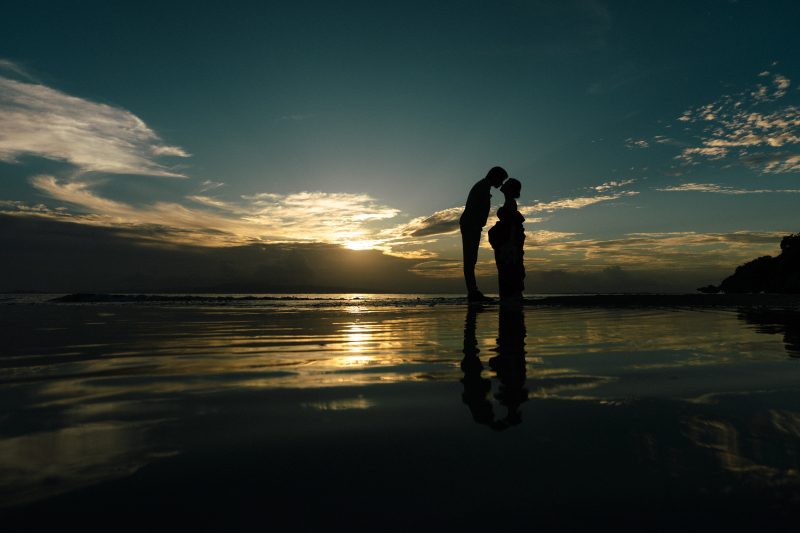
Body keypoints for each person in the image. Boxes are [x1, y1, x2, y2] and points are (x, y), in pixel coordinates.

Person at [460, 166, 508, 303]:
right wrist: (475, 225)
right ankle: (473, 292)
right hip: (470, 226)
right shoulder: (482, 186)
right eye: (501, 180)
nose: (501, 184)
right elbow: (471, 207)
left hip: (472, 226)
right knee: (470, 259)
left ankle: (473, 291)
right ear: (494, 177)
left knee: (471, 258)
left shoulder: (484, 186)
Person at [488, 178, 525, 301]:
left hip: (508, 241)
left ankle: (512, 294)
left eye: (507, 183)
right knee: (506, 267)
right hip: (506, 239)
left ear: (510, 188)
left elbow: (513, 223)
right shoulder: (508, 202)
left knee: (508, 267)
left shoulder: (511, 203)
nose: (503, 184)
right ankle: (510, 295)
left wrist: (511, 242)